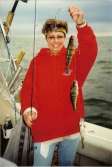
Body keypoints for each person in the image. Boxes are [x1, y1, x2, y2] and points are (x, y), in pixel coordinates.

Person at [20, 5, 98, 166]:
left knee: (67, 164)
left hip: (72, 129)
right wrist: (28, 109)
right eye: (51, 37)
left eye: (60, 36)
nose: (56, 41)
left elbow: (90, 50)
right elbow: (28, 89)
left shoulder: (75, 59)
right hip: (45, 130)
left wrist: (82, 25)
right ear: (46, 38)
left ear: (65, 37)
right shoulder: (37, 62)